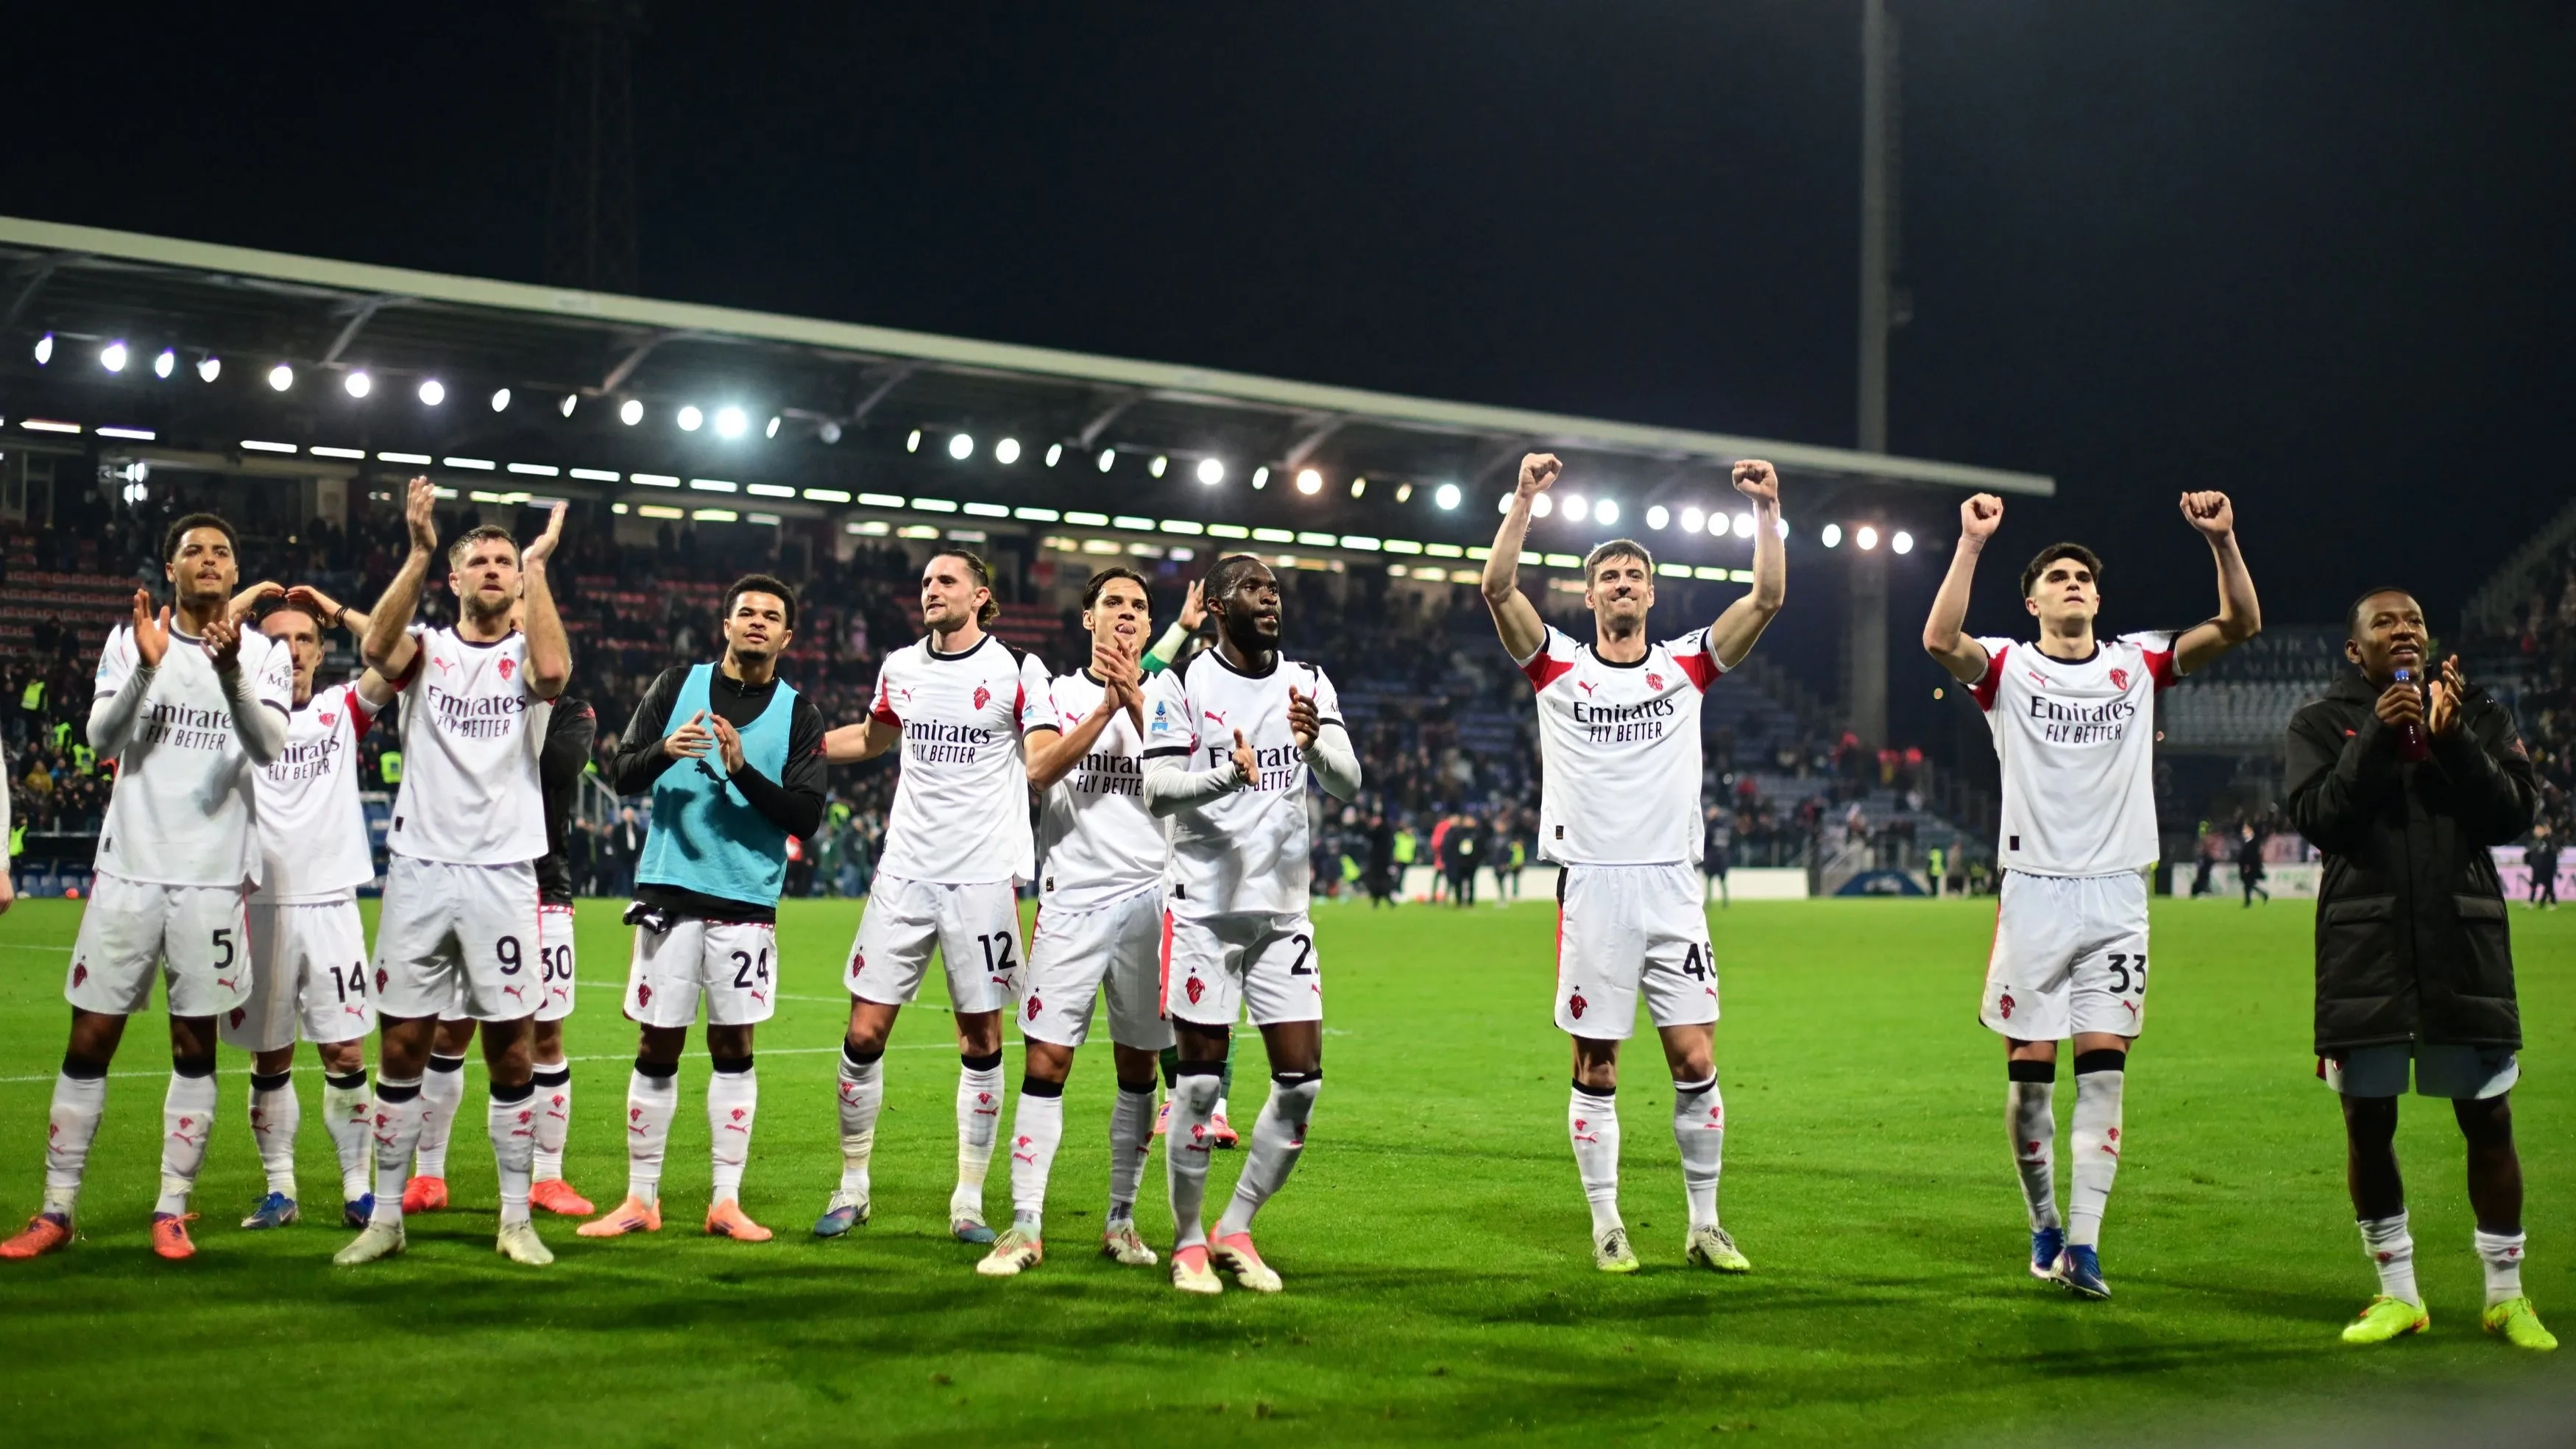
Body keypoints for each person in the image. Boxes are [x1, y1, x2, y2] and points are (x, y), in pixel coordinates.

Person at [1920, 488, 2260, 1300]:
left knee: (2103, 1074)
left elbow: (2239, 623)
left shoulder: (2134, 663)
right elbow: (1937, 637)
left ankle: (2084, 1242)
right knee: (2029, 1078)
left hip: (2115, 898)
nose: (2071, 583)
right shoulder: (2006, 667)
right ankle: (2041, 1221)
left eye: (2082, 577)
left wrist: (2223, 540)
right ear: (2031, 600)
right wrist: (1969, 544)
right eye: (2056, 577)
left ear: (2096, 599)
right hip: (2033, 892)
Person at [1482, 453, 1783, 1275]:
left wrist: (1767, 508)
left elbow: (1764, 598)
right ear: (1589, 595)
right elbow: (1497, 591)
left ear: (1651, 594)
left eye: (1632, 576)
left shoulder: (1683, 665)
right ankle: (1607, 1222)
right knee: (1597, 1061)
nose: (1620, 585)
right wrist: (1523, 501)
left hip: (1671, 886)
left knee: (1694, 1058)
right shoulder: (1558, 668)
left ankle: (1703, 1222)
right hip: (1593, 886)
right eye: (1607, 575)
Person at [3, 514, 291, 1261]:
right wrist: (144, 666)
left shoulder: (263, 653)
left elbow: (267, 747)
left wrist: (227, 670)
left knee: (194, 1044)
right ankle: (57, 1209)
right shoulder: (133, 639)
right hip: (129, 868)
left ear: (235, 573)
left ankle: (172, 1206)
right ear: (171, 568)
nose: (208, 559)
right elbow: (103, 740)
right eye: (193, 549)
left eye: (221, 551)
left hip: (212, 877)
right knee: (90, 1037)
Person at [2286, 590, 2555, 1351]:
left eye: (2412, 621)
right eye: (2383, 623)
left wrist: (2454, 739)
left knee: (2487, 1118)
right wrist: (2375, 732)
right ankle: (2396, 1293)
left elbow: (2509, 816)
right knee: (2366, 1123)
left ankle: (2504, 1295)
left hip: (2460, 947)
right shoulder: (2316, 723)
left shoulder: (2479, 714)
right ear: (2354, 651)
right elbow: (2320, 820)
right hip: (2361, 951)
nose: (2402, 631)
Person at [334, 481, 572, 1267]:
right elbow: (375, 652)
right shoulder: (426, 649)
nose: (497, 567)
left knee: (511, 1047)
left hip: (505, 871)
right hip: (422, 869)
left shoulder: (523, 647)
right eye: (484, 560)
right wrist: (421, 548)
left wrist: (540, 570)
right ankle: (388, 1215)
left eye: (507, 558)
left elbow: (552, 674)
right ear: (458, 579)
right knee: (402, 1045)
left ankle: (514, 1218)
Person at [815, 550, 1054, 1244]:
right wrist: (791, 748)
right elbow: (871, 737)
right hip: (905, 874)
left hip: (983, 880)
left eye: (945, 580)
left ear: (981, 595)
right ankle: (853, 1185)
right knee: (863, 1033)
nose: (930, 589)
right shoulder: (901, 667)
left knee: (980, 1039)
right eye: (924, 581)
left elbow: (1040, 754)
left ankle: (970, 1199)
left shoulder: (1014, 670)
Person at [580, 575, 827, 1244]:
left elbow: (808, 813)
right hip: (669, 894)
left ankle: (725, 1199)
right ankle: (640, 1198)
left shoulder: (800, 713)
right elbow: (620, 769)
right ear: (725, 623)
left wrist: (742, 769)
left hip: (746, 901)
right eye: (745, 612)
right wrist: (666, 750)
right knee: (656, 1042)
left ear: (787, 635)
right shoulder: (674, 686)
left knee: (733, 1046)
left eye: (771, 616)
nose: (756, 623)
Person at [1142, 553, 1362, 1294]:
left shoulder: (1309, 681)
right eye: (1252, 590)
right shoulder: (1183, 683)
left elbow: (1346, 780)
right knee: (1199, 1089)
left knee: (1300, 1082)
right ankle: (1186, 1240)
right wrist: (1226, 777)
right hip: (1203, 909)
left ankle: (1236, 1225)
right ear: (1219, 606)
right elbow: (1157, 788)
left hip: (1283, 914)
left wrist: (1314, 744)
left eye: (1273, 590)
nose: (1268, 600)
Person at [976, 567, 1170, 1278]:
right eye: (1113, 603)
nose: (1126, 614)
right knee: (1048, 1060)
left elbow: (1182, 776)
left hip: (1152, 899)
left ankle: (1121, 1221)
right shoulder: (1055, 690)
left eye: (1139, 607)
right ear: (1087, 617)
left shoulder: (1174, 694)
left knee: (1138, 1066)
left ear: (1150, 627)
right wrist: (1107, 708)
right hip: (1072, 899)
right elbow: (1040, 769)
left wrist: (1139, 699)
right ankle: (1026, 1224)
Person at [393, 581, 599, 1225]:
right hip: (461, 875)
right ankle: (429, 1174)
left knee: (545, 1033)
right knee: (449, 1030)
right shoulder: (450, 683)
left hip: (541, 881)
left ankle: (548, 1177)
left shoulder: (570, 709)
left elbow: (555, 767)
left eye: (525, 620)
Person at [220, 584, 396, 1233]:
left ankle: (358, 1190)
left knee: (346, 1053)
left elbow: (400, 655)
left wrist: (340, 609)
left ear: (322, 652)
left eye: (303, 640)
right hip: (255, 904)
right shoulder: (232, 704)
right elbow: (188, 642)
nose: (290, 652)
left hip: (331, 905)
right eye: (277, 640)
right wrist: (240, 610)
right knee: (269, 1057)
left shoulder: (339, 709)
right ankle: (279, 1190)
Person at [1704, 804, 1733, 908]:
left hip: (1713, 856)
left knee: (1709, 880)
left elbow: (1707, 841)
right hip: (1723, 856)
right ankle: (1725, 901)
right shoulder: (1724, 826)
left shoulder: (1711, 826)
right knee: (1722, 880)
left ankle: (1709, 900)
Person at [2526, 823, 2559, 910]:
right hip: (2539, 867)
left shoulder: (2550, 841)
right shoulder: (2540, 842)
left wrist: (2553, 868)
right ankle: (2534, 901)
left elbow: (2552, 855)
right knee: (2537, 884)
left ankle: (2552, 902)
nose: (2536, 831)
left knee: (2548, 885)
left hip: (2547, 867)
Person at [2237, 823, 2270, 906]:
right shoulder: (2249, 842)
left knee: (2248, 885)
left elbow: (2252, 855)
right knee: (2249, 885)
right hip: (2247, 866)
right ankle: (2262, 895)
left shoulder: (2253, 842)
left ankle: (2248, 902)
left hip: (2250, 867)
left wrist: (2248, 865)